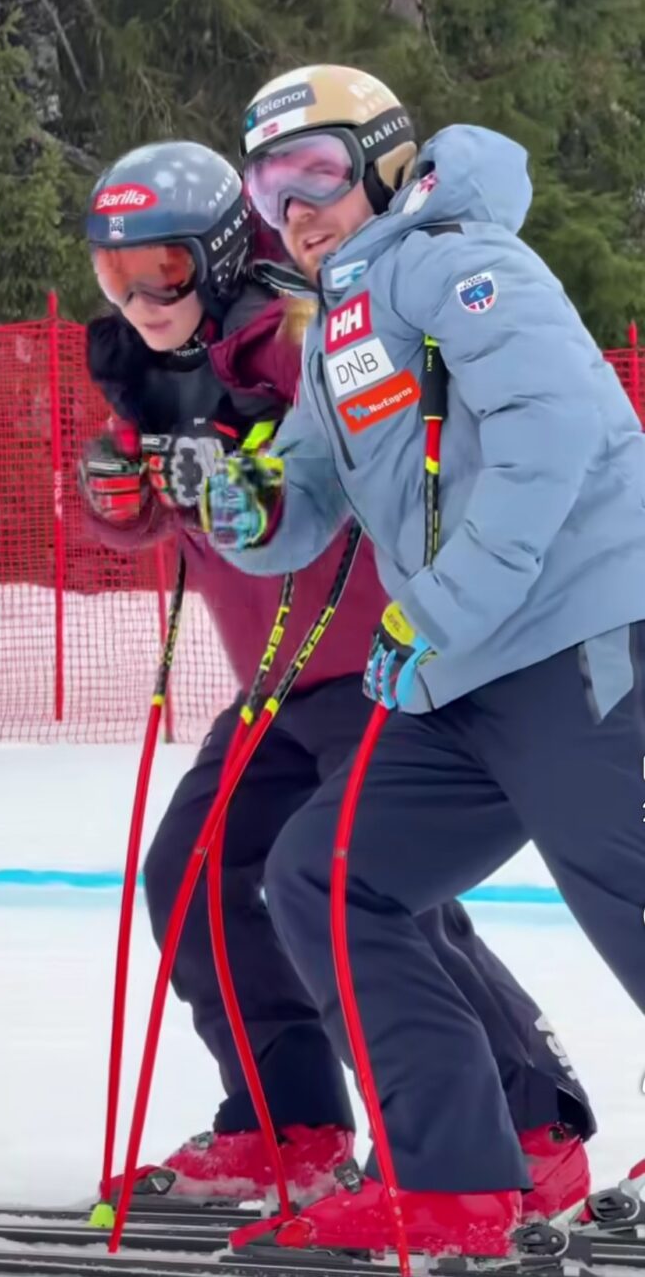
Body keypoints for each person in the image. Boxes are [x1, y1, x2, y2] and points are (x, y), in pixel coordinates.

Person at [79, 138, 595, 1214]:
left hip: (374, 667)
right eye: (114, 276)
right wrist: (122, 498)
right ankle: (290, 1119)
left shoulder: (296, 332)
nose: (139, 301)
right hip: (273, 685)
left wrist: (250, 446)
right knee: (194, 873)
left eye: (161, 271)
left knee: (373, 890)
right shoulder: (147, 369)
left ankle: (526, 1116)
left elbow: (356, 454)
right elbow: (165, 513)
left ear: (222, 253)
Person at [200, 63, 645, 1256]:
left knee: (628, 882)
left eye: (316, 173)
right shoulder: (344, 314)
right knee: (329, 876)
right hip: (465, 669)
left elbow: (552, 431)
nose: (296, 210)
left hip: (577, 634)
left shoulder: (460, 260)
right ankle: (451, 1177)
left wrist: (440, 605)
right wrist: (253, 506)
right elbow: (308, 488)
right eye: (269, 190)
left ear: (387, 163)